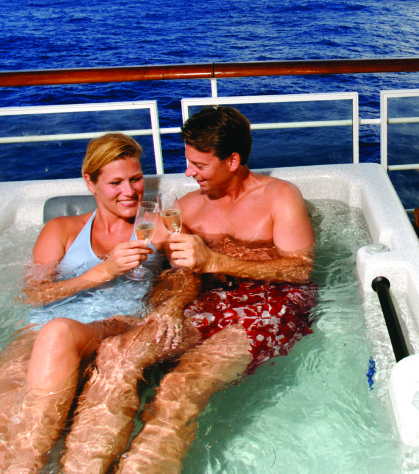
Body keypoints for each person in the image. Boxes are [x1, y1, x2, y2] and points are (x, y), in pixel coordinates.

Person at [61, 106, 317, 474]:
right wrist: (171, 305)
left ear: (232, 161)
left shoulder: (279, 196)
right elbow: (171, 266)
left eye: (199, 165)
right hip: (207, 300)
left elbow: (300, 269)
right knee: (117, 354)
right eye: (187, 162)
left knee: (181, 383)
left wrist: (215, 262)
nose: (188, 172)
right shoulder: (186, 208)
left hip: (271, 303)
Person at [0, 133, 198, 474]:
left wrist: (169, 307)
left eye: (135, 179)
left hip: (112, 326)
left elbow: (187, 278)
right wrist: (104, 271)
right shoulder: (61, 229)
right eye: (115, 182)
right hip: (40, 330)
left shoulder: (157, 227)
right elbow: (34, 294)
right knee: (3, 427)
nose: (129, 192)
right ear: (91, 182)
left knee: (57, 333)